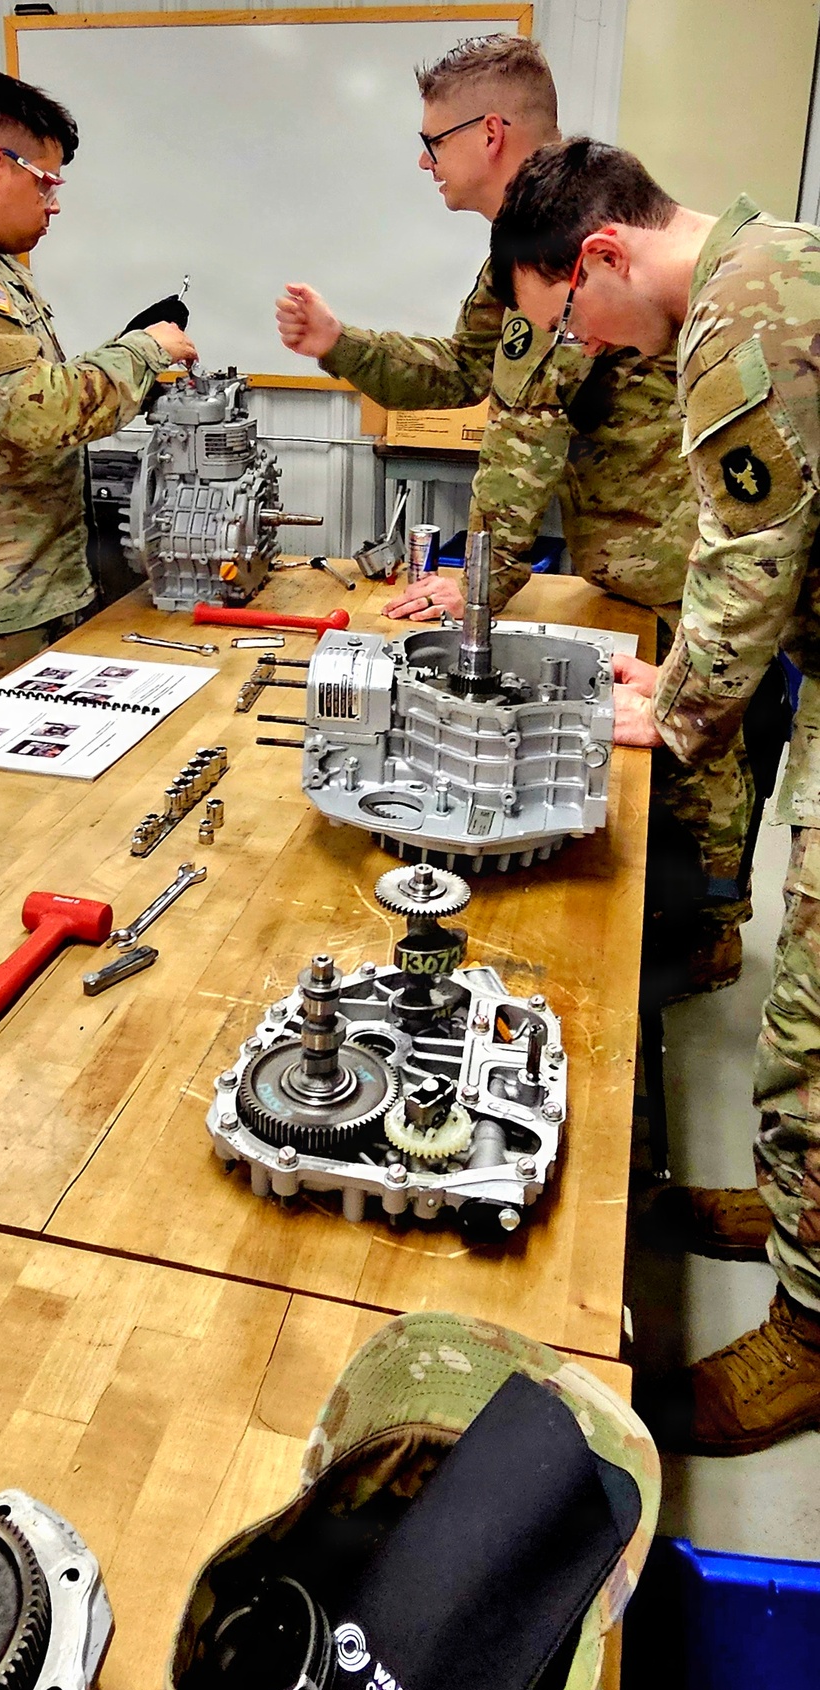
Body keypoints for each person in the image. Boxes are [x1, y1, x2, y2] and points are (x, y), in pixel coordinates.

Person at [275, 34, 756, 1001]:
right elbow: (468, 373)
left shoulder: (571, 241)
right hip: (620, 550)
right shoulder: (519, 253)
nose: (426, 162)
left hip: (667, 552)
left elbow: (523, 430)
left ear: (488, 133)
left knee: (686, 747)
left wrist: (477, 585)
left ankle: (699, 928)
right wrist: (341, 345)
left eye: (433, 141)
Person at [488, 135, 820, 1455]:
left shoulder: (735, 318)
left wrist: (668, 713)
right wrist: (678, 673)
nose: (594, 349)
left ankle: (808, 1326)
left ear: (604, 254)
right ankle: (799, 1212)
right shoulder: (772, 258)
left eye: (571, 319)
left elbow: (746, 560)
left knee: (807, 1022)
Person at [0, 69, 197, 727]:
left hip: (26, 595)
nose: (54, 203)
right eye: (45, 182)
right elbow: (43, 414)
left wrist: (131, 348)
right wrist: (147, 350)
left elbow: (26, 391)